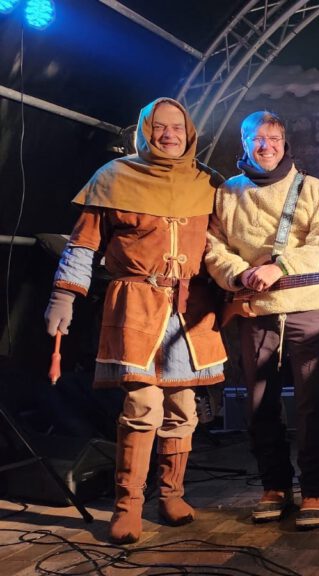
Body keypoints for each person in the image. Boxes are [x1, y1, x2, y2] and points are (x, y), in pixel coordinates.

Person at [44, 98, 227, 544]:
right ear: (145, 131)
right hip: (137, 304)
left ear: (189, 133)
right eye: (159, 127)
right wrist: (64, 296)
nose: (169, 135)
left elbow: (223, 245)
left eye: (177, 128)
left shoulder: (207, 182)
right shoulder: (114, 178)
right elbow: (82, 245)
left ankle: (172, 495)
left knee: (183, 409)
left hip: (189, 307)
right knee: (143, 408)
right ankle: (128, 506)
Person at [205, 110, 319, 530]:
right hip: (254, 309)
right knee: (259, 403)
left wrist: (280, 267)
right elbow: (214, 247)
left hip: (307, 307)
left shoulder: (313, 189)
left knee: (311, 403)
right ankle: (275, 487)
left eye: (274, 138)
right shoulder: (227, 193)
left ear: (285, 143)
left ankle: (316, 490)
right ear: (245, 143)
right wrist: (239, 274)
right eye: (258, 139)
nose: (267, 146)